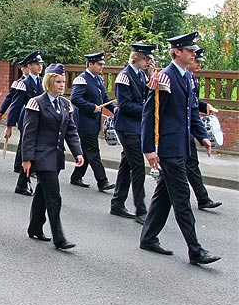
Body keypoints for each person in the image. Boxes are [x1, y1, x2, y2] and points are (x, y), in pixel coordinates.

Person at [140, 32, 221, 265]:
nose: (193, 53)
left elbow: (192, 112)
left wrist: (202, 136)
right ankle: (195, 250)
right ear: (177, 52)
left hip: (181, 145)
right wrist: (149, 149)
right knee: (182, 198)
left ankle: (148, 238)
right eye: (189, 50)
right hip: (168, 148)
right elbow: (150, 115)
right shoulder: (164, 77)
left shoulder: (186, 77)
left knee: (164, 195)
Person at [21, 63, 84, 250]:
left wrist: (78, 152)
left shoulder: (65, 104)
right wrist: (26, 159)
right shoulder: (36, 102)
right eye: (58, 82)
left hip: (55, 157)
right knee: (54, 196)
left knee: (42, 192)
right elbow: (29, 133)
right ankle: (59, 237)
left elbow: (71, 131)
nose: (62, 85)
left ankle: (34, 227)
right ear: (49, 82)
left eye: (64, 81)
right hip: (41, 157)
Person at [110, 44, 156, 224]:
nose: (148, 62)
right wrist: (147, 111)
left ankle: (117, 203)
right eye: (146, 59)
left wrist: (151, 77)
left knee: (127, 163)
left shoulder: (141, 75)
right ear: (136, 58)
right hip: (127, 126)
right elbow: (125, 104)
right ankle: (141, 210)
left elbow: (149, 96)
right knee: (137, 167)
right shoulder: (124, 76)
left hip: (136, 125)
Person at [69, 52, 116, 191]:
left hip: (94, 122)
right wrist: (91, 107)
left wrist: (115, 110)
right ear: (90, 64)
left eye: (102, 64)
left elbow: (105, 98)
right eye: (99, 64)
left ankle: (76, 176)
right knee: (93, 151)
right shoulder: (81, 80)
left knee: (86, 151)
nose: (102, 66)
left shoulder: (99, 79)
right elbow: (75, 99)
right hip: (84, 122)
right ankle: (102, 181)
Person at [186, 47, 222, 210]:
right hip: (177, 131)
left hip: (187, 130)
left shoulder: (193, 79)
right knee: (173, 169)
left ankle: (203, 198)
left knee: (191, 163)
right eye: (197, 61)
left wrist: (205, 105)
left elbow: (193, 104)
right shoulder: (181, 77)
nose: (199, 64)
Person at [6, 51, 45, 196]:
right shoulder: (24, 84)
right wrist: (9, 126)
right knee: (28, 151)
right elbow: (15, 106)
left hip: (41, 122)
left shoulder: (42, 81)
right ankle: (22, 184)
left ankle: (24, 182)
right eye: (36, 64)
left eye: (41, 64)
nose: (39, 66)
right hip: (28, 122)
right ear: (29, 66)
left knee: (33, 151)